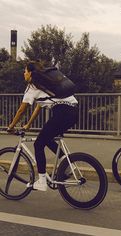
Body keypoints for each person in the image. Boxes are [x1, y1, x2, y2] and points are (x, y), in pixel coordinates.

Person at [7, 61, 78, 191]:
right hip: (73, 112)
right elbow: (39, 106)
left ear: (30, 73)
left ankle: (42, 181)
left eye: (25, 71)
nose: (24, 74)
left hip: (62, 112)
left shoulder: (32, 86)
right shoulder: (44, 83)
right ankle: (68, 166)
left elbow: (21, 110)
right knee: (47, 138)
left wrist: (11, 126)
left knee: (38, 144)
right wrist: (28, 124)